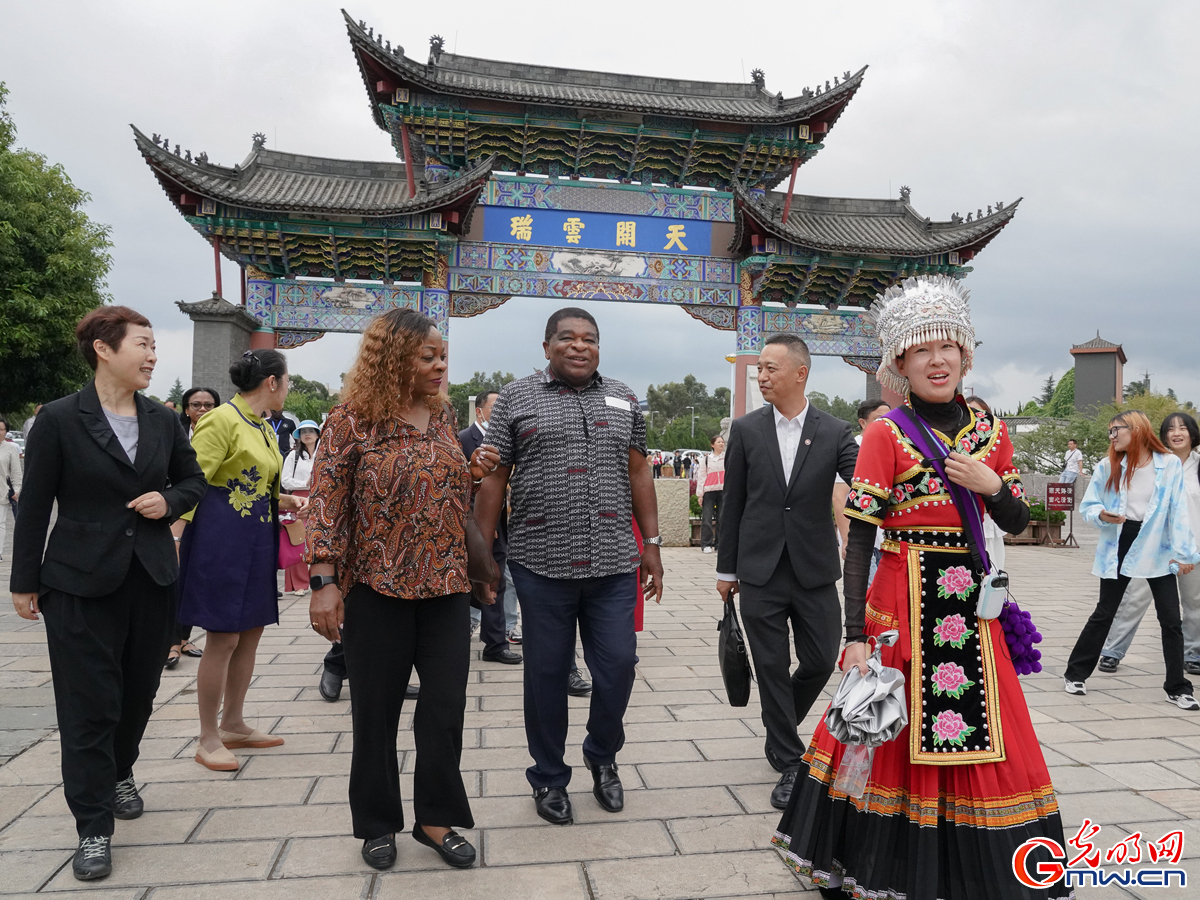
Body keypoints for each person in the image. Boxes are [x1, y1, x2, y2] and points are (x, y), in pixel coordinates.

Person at [772, 276, 1069, 899]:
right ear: (900, 363)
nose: (937, 361)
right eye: (921, 351)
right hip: (901, 600)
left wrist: (992, 484)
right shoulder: (887, 432)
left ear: (965, 354)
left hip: (970, 602)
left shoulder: (990, 427)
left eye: (947, 348)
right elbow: (858, 539)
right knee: (888, 731)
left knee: (984, 731)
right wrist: (854, 634)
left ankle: (974, 866)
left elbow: (1015, 518)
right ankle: (881, 864)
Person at [9, 306, 207, 881]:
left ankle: (121, 770)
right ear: (103, 347)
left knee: (138, 694)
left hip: (150, 578)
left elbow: (192, 481)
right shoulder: (60, 420)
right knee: (88, 704)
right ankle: (93, 826)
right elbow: (35, 505)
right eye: (142, 344)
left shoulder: (164, 421)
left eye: (153, 346)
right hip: (77, 583)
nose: (151, 356)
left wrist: (167, 502)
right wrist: (24, 581)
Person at [307, 308, 496, 870]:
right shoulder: (350, 422)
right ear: (393, 359)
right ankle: (377, 822)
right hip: (376, 589)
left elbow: (444, 495)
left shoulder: (440, 421)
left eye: (443, 356)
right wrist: (323, 584)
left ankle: (436, 821)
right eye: (428, 357)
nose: (441, 366)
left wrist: (473, 471)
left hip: (444, 588)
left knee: (444, 710)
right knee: (375, 713)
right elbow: (324, 506)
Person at [474, 307, 664, 826]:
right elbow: (494, 478)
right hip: (541, 565)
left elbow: (639, 470)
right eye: (567, 338)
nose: (579, 346)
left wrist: (652, 543)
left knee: (619, 667)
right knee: (546, 675)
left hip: (612, 564)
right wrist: (482, 554)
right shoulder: (516, 397)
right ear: (546, 346)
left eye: (590, 339)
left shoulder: (625, 397)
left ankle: (602, 755)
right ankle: (549, 776)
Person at [715, 334, 858, 810]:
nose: (762, 376)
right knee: (770, 664)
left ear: (801, 373)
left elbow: (865, 479)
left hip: (814, 567)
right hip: (759, 569)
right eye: (760, 369)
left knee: (820, 659)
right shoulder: (747, 429)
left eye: (771, 368)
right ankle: (789, 760)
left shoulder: (836, 431)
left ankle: (779, 726)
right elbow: (732, 503)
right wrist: (727, 568)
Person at [178, 349, 306, 772]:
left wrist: (281, 497)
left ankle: (233, 722)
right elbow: (192, 482)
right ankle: (207, 735)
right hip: (221, 539)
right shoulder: (220, 420)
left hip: (256, 537)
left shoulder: (264, 425)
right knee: (223, 637)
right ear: (271, 381)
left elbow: (255, 478)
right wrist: (176, 536)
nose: (289, 388)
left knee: (250, 631)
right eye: (287, 381)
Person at [1064, 410, 1199, 706]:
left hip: (1157, 545)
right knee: (1105, 612)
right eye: (1110, 432)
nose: (1112, 437)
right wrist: (1101, 514)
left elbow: (1178, 512)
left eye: (1116, 431)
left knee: (1171, 619)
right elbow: (1089, 505)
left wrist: (1184, 553)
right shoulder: (1107, 466)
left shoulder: (1169, 464)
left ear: (1136, 429)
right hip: (1120, 539)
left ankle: (1178, 687)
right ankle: (1075, 673)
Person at [1097, 412, 1200, 675]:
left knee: (1193, 603)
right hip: (1153, 545)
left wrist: (1189, 551)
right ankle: (1112, 650)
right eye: (1170, 429)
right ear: (1162, 434)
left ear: (1193, 432)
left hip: (1192, 548)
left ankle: (1193, 653)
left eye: (1183, 428)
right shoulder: (1154, 462)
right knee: (1134, 598)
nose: (1177, 433)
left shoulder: (1197, 466)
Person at [459, 391, 522, 664]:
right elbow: (461, 485)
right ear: (480, 411)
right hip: (471, 524)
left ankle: (495, 644)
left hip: (501, 522)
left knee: (496, 578)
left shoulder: (510, 438)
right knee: (464, 582)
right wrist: (477, 521)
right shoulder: (463, 439)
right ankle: (456, 637)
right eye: (494, 408)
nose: (499, 413)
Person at [165, 387, 220, 669]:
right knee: (174, 577)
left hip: (206, 516)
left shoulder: (221, 433)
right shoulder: (175, 434)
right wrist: (176, 528)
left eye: (209, 405)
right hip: (175, 513)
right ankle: (171, 642)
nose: (202, 409)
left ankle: (184, 638)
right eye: (196, 405)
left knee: (191, 579)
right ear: (186, 409)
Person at [965, 395, 1007, 573]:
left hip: (988, 519)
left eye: (979, 413)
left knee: (994, 571)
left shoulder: (995, 443)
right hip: (960, 522)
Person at [281, 420, 321, 596]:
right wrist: (304, 484)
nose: (307, 434)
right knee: (298, 540)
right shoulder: (293, 456)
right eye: (303, 431)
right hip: (299, 499)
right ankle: (299, 584)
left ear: (317, 434)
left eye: (311, 431)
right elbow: (285, 480)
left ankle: (320, 581)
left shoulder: (325, 455)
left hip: (321, 499)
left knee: (321, 540)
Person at [694, 434, 726, 554]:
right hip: (709, 492)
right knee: (707, 519)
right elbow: (701, 477)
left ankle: (719, 544)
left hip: (723, 491)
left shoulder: (727, 458)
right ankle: (706, 544)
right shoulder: (706, 459)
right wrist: (700, 495)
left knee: (722, 519)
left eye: (722, 442)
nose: (721, 444)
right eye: (718, 442)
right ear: (712, 445)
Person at [0, 417, 22, 561]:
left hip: (1, 490)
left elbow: (16, 471)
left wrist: (17, 489)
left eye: (1, 429)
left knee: (0, 523)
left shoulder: (10, 448)